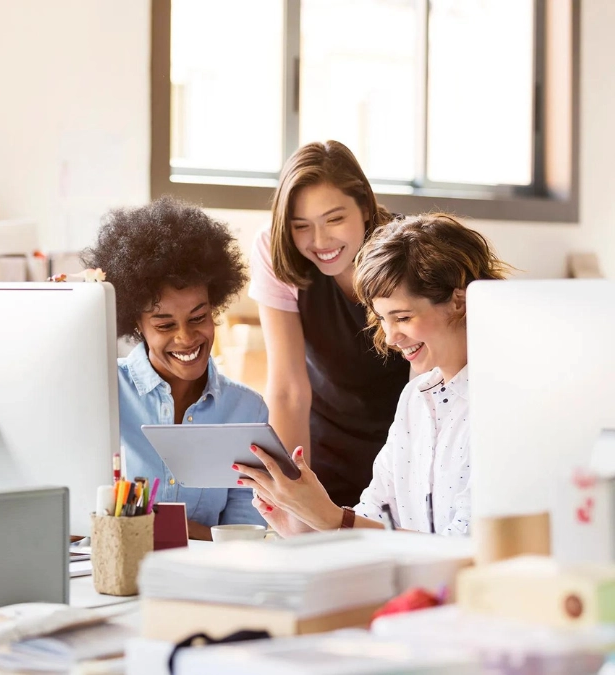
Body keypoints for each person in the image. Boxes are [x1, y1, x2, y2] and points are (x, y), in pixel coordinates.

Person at [235, 213, 512, 535]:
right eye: (382, 319)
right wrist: (305, 527)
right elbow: (374, 515)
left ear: (459, 301)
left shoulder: (505, 402)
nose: (391, 337)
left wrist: (331, 519)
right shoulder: (416, 398)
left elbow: (469, 546)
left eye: (403, 317)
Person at [82, 196, 267, 540]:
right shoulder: (102, 392)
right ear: (136, 325)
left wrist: (158, 527)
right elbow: (80, 518)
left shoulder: (246, 410)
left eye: (198, 317)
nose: (186, 337)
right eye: (165, 325)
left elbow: (245, 535)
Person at [249, 140, 410, 509]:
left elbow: (428, 385)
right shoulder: (274, 250)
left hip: (404, 442)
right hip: (324, 444)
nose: (320, 241)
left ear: (365, 207)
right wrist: (291, 496)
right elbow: (288, 390)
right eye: (301, 226)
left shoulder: (406, 250)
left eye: (335, 219)